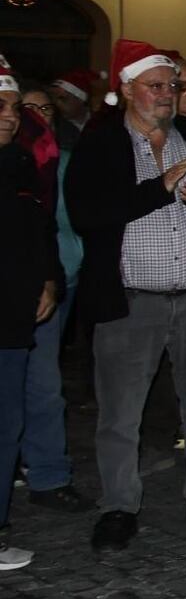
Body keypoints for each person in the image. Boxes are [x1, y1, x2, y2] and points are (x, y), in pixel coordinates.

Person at [67, 39, 186, 551]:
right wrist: (160, 188)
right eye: (155, 86)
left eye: (171, 86)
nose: (167, 95)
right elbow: (88, 214)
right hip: (131, 299)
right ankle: (119, 506)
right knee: (121, 412)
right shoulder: (101, 143)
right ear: (126, 89)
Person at [0, 57, 62, 569]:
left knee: (7, 421)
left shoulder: (21, 163)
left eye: (12, 106)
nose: (7, 115)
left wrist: (48, 280)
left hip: (15, 312)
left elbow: (38, 233)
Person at [15, 81, 85, 512]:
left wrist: (66, 271)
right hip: (18, 282)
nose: (38, 117)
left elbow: (71, 223)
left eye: (46, 110)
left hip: (57, 281)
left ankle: (48, 473)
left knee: (44, 385)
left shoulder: (63, 162)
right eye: (29, 108)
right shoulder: (16, 163)